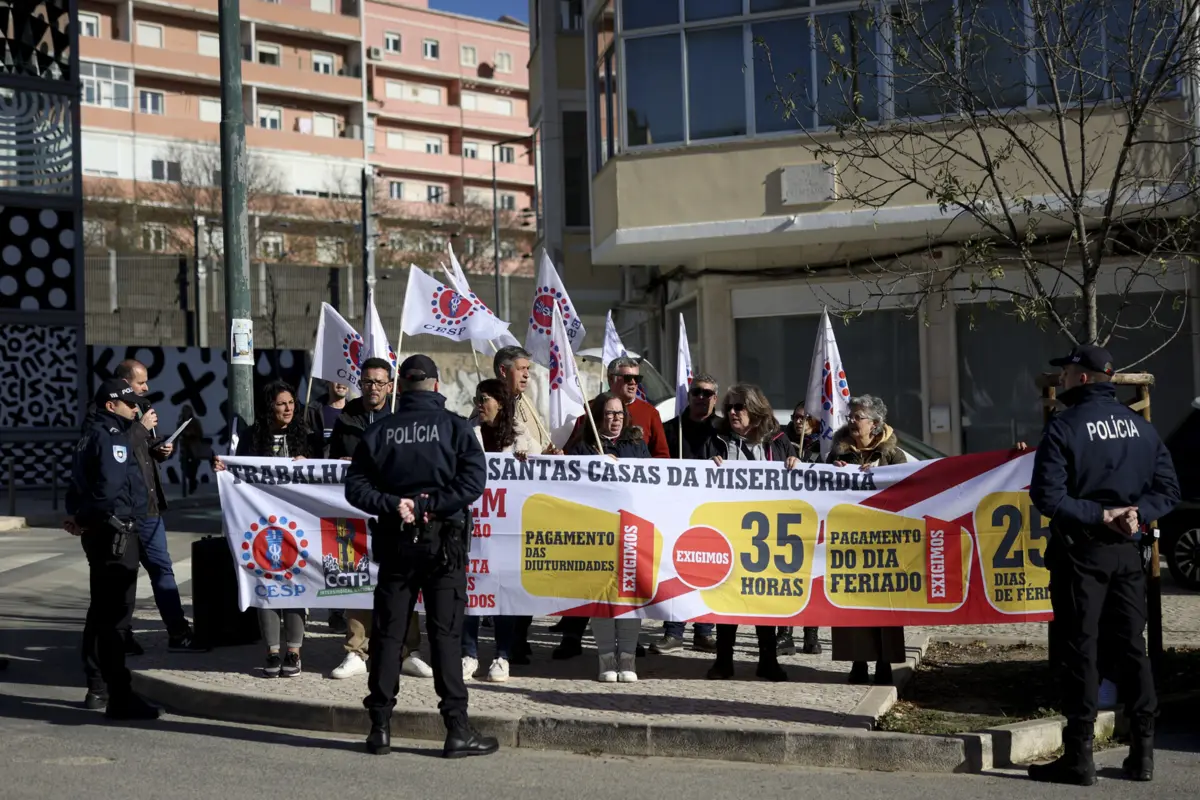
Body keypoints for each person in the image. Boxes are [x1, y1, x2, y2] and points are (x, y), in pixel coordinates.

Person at [1026, 345, 1179, 786]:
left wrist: (1100, 515)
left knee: (1081, 649)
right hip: (1129, 555)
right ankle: (1143, 754)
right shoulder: (1140, 428)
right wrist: (1138, 512)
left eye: (1068, 372)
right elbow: (1168, 489)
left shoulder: (1064, 427)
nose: (1062, 379)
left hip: (1082, 554)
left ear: (1085, 379)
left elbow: (1047, 497)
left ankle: (1079, 757)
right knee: (1133, 647)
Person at [346, 354, 498, 758]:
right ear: (435, 384)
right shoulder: (455, 427)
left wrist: (393, 502)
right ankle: (456, 730)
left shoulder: (380, 431)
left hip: (396, 544)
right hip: (443, 545)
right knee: (445, 635)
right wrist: (432, 502)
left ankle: (379, 728)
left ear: (400, 387)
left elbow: (354, 488)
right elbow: (473, 481)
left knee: (388, 634)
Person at [327, 358, 433, 682]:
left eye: (379, 382)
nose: (373, 387)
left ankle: (407, 651)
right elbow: (329, 464)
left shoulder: (403, 417)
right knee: (355, 575)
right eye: (368, 382)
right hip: (356, 512)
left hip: (394, 515)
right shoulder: (346, 419)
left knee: (403, 582)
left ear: (390, 385)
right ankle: (356, 650)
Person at [64, 378, 160, 720]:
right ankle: (117, 695)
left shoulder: (90, 435)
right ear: (110, 406)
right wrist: (88, 516)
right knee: (116, 618)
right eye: (128, 403)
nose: (136, 407)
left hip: (101, 532)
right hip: (116, 536)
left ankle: (101, 686)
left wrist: (78, 515)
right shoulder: (111, 437)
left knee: (102, 613)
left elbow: (76, 485)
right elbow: (108, 489)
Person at [214, 380, 320, 677]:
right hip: (262, 525)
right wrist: (224, 468)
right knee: (267, 584)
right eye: (281, 404)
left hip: (299, 525)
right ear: (269, 408)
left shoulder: (305, 437)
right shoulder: (251, 437)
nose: (288, 409)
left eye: (291, 403)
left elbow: (324, 471)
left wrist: (308, 462)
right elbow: (238, 470)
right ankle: (272, 651)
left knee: (296, 583)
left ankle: (294, 652)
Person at [702, 384, 797, 682]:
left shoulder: (779, 442)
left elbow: (801, 483)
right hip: (728, 531)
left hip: (765, 535)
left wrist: (797, 464)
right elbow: (693, 479)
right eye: (729, 407)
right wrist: (706, 467)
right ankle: (723, 661)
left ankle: (767, 660)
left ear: (755, 411)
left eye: (738, 407)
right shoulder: (716, 440)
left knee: (762, 598)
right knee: (726, 595)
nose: (731, 412)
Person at [113, 359, 207, 655]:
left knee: (162, 570)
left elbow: (144, 450)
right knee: (123, 577)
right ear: (125, 383)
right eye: (141, 383)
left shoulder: (142, 408)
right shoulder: (109, 411)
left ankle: (178, 632)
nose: (146, 387)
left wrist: (162, 448)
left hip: (150, 507)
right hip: (125, 511)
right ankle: (121, 636)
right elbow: (116, 451)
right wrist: (140, 428)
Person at [568, 393, 652, 682]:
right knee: (603, 596)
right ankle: (605, 657)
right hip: (597, 532)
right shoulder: (583, 449)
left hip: (632, 531)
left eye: (619, 414)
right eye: (608, 414)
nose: (614, 419)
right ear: (598, 416)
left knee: (630, 594)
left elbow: (653, 482)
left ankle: (627, 657)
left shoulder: (637, 446)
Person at [461, 379, 539, 683]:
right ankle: (468, 654)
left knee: (503, 594)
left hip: (508, 529)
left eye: (486, 399)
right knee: (471, 592)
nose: (480, 404)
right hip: (473, 528)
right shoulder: (466, 432)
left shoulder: (522, 437)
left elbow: (542, 470)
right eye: (477, 398)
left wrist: (537, 456)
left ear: (501, 403)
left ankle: (502, 656)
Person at [827, 394, 908, 686]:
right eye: (851, 416)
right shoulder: (838, 452)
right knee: (852, 601)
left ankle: (885, 664)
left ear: (874, 424)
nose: (852, 421)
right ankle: (858, 663)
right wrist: (831, 473)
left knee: (883, 602)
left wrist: (882, 475)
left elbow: (908, 485)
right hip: (849, 538)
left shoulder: (892, 455)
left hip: (884, 539)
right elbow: (821, 488)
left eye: (858, 417)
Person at [492, 345, 559, 661]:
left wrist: (550, 453)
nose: (527, 376)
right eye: (522, 369)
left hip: (532, 506)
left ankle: (520, 636)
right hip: (505, 507)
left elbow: (540, 443)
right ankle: (506, 643)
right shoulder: (491, 404)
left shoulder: (527, 403)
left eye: (529, 370)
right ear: (504, 371)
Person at [654, 373, 720, 654]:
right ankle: (674, 631)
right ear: (689, 395)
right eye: (697, 392)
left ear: (715, 398)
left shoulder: (722, 432)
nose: (701, 397)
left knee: (708, 570)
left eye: (707, 393)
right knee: (675, 570)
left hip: (712, 511)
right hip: (676, 511)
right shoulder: (671, 430)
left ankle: (704, 631)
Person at [777, 400, 823, 657]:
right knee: (786, 577)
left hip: (813, 519)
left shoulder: (824, 445)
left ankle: (811, 634)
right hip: (786, 518)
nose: (798, 421)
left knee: (811, 579)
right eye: (796, 416)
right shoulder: (781, 441)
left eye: (804, 418)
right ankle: (784, 634)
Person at [306, 380, 350, 458]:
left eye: (345, 379)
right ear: (328, 381)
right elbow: (304, 442)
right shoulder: (312, 411)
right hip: (318, 468)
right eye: (336, 378)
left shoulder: (355, 413)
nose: (341, 382)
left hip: (345, 469)